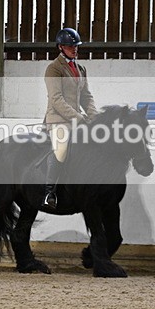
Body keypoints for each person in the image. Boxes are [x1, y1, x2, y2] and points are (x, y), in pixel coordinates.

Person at [41, 27, 100, 210]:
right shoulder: (53, 69)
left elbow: (86, 97)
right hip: (58, 120)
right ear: (60, 47)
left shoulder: (80, 68)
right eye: (70, 46)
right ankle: (49, 192)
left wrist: (94, 117)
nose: (74, 49)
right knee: (61, 148)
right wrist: (79, 118)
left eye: (76, 46)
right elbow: (56, 99)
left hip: (76, 119)